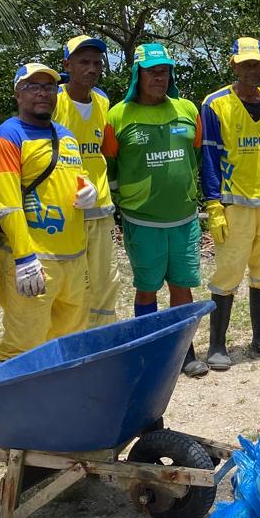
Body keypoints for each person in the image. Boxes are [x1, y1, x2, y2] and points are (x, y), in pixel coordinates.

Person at [102, 43, 207, 376]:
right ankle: (149, 352)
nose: (159, 77)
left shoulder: (188, 109)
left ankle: (183, 353)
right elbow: (109, 163)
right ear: (138, 74)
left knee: (182, 287)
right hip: (141, 220)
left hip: (184, 218)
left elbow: (197, 153)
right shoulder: (118, 115)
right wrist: (122, 201)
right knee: (146, 287)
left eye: (165, 71)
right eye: (152, 71)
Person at [0, 63, 96, 361]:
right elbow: (6, 205)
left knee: (71, 340)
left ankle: (62, 401)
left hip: (73, 257)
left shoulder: (67, 136)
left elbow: (78, 175)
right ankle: (20, 406)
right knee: (25, 346)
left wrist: (89, 190)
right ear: (18, 93)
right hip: (34, 261)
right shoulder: (5, 138)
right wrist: (24, 258)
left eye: (49, 87)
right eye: (33, 87)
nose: (42, 93)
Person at [200, 37, 260, 363]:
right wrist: (212, 204)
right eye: (246, 64)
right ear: (234, 64)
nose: (252, 70)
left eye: (257, 64)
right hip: (234, 203)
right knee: (227, 273)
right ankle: (216, 345)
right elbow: (209, 156)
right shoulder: (215, 104)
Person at [54, 35, 120, 327]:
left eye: (96, 63)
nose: (91, 68)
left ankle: (103, 341)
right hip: (67, 211)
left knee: (106, 282)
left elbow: (106, 151)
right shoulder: (53, 100)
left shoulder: (103, 100)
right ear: (67, 64)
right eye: (83, 62)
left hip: (102, 207)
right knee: (73, 287)